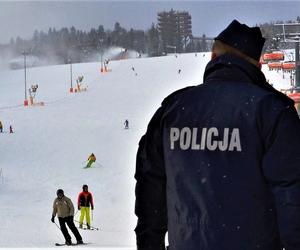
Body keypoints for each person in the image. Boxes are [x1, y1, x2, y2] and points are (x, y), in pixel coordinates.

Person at [134, 20, 300, 250]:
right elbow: (292, 196)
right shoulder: (271, 111)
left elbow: (149, 187)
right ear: (257, 67)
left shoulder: (173, 109)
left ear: (213, 58)